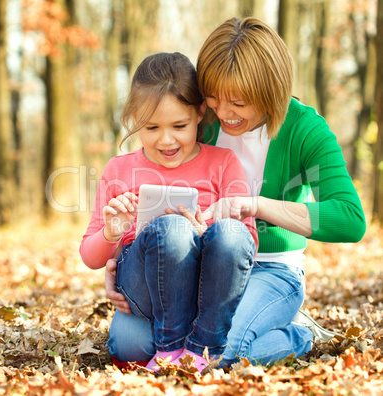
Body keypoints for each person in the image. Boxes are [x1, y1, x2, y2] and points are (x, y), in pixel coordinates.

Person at [105, 17, 366, 369]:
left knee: (220, 350)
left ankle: (298, 335)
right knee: (133, 343)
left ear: (270, 91)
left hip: (271, 271)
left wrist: (256, 206)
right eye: (213, 98)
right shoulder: (203, 123)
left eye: (238, 103)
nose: (223, 113)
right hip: (201, 268)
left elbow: (350, 219)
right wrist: (120, 264)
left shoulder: (305, 131)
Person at [80, 52, 258, 372]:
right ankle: (172, 348)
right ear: (135, 120)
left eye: (179, 125)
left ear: (201, 112)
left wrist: (206, 233)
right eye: (151, 127)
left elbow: (247, 243)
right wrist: (112, 231)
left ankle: (200, 345)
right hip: (145, 291)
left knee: (231, 231)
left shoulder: (223, 163)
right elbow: (91, 258)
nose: (166, 139)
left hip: (206, 291)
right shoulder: (119, 169)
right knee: (128, 345)